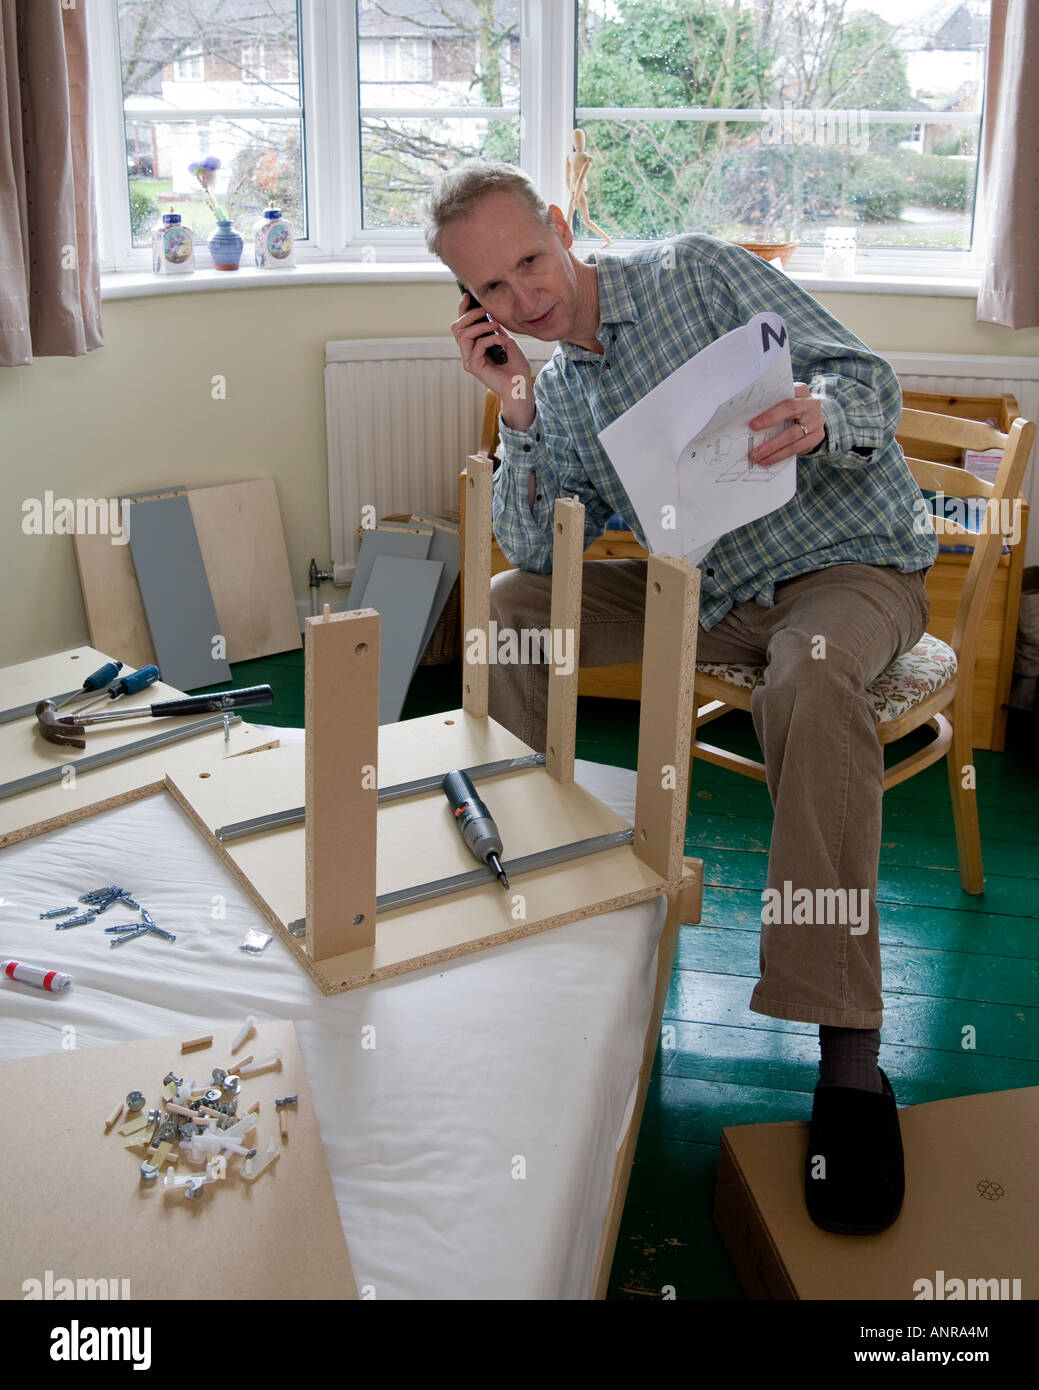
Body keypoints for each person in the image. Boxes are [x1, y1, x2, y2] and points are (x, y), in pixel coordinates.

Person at [424, 158, 938, 1236]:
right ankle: (524, 881)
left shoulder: (698, 275)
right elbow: (531, 544)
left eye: (531, 259)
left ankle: (848, 1054)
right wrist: (514, 404)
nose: (528, 298)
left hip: (844, 566)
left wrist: (817, 414)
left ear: (563, 227)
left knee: (805, 676)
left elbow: (871, 381)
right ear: (475, 309)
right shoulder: (554, 387)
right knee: (516, 602)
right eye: (496, 292)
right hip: (708, 589)